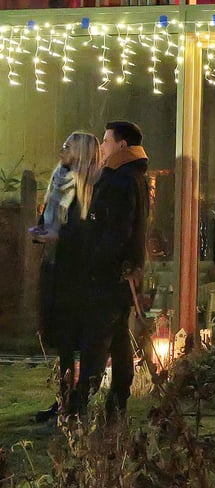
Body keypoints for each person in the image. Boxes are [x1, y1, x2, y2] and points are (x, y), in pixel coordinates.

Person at [72, 121, 149, 418]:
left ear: (121, 144)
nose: (102, 146)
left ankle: (80, 406)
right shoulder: (130, 176)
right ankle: (117, 403)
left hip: (108, 274)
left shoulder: (121, 179)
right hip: (120, 273)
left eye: (106, 141)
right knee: (118, 340)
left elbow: (117, 229)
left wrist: (96, 263)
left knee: (97, 340)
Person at [29, 131, 101, 422]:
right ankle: (64, 398)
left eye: (68, 146)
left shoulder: (91, 190)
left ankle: (76, 401)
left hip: (77, 276)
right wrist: (42, 231)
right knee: (63, 342)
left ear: (80, 153)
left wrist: (59, 236)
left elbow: (86, 236)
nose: (62, 149)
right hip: (56, 271)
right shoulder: (60, 182)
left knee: (75, 339)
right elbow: (46, 224)